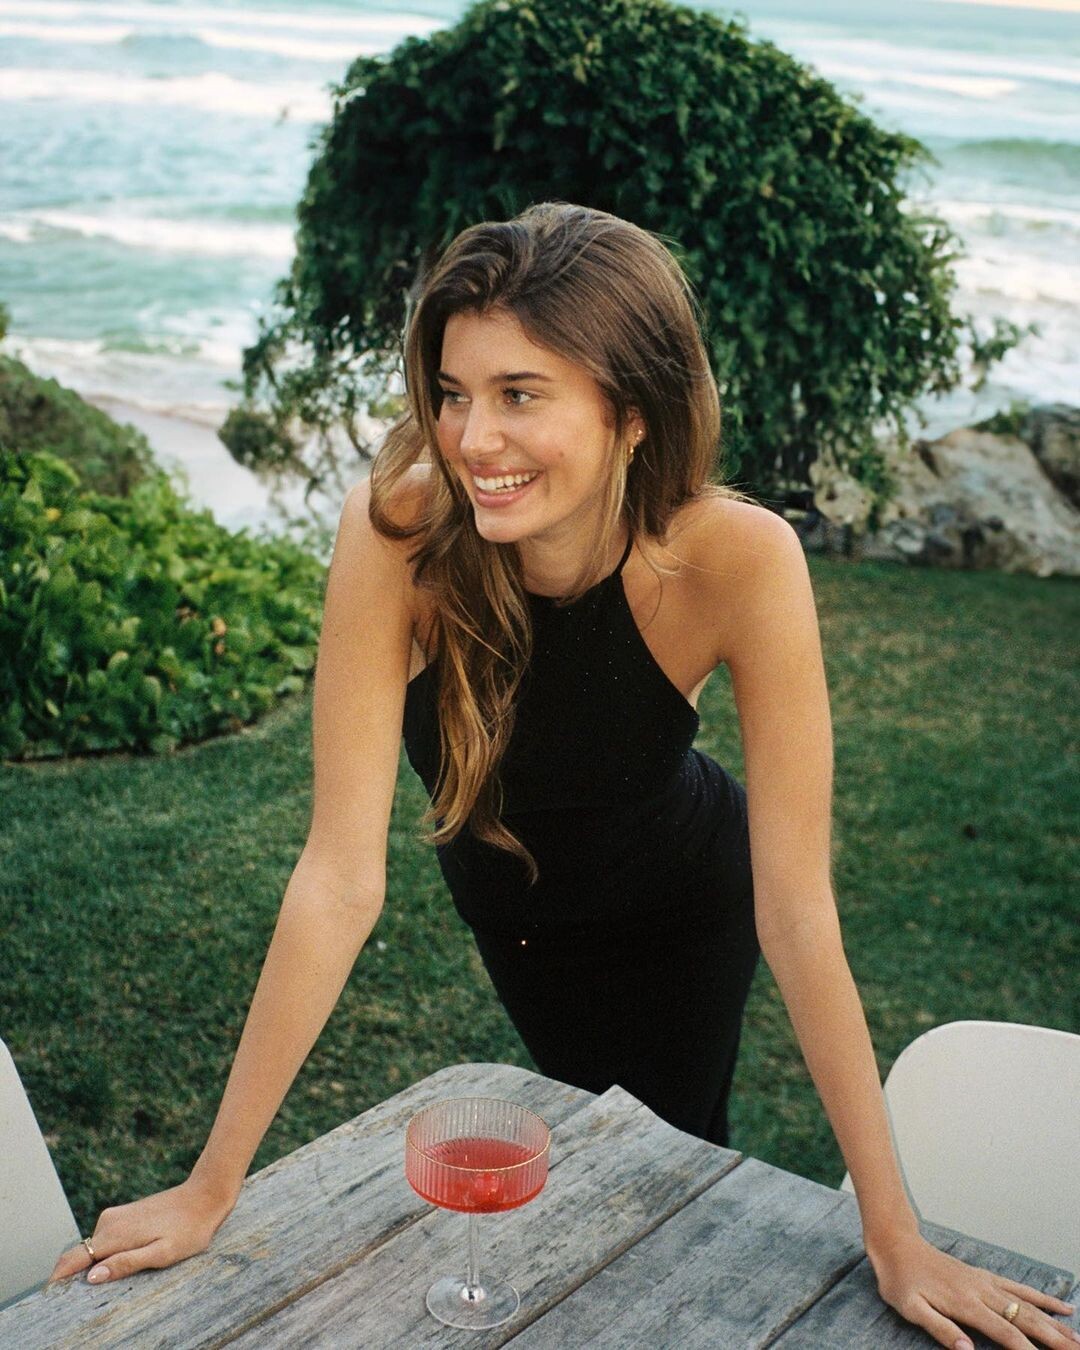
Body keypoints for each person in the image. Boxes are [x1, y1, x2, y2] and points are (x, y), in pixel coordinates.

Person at [49, 203, 1076, 1350]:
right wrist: (210, 1188)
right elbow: (338, 877)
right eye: (453, 392)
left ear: (632, 412)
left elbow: (796, 906)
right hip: (516, 917)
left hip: (682, 908)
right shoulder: (398, 533)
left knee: (669, 1170)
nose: (471, 437)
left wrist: (894, 1234)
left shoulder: (739, 557)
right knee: (586, 1149)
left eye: (520, 394)